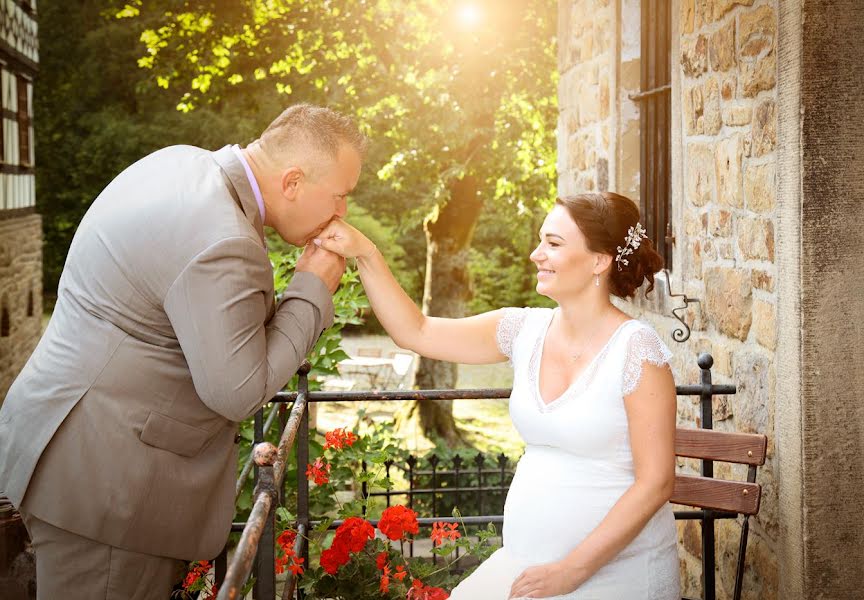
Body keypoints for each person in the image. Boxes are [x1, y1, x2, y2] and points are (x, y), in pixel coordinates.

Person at [0, 104, 366, 599]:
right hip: (107, 492)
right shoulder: (224, 238)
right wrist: (311, 288)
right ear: (293, 181)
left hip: (68, 446)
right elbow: (237, 391)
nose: (342, 212)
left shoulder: (183, 163)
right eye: (340, 196)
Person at [314, 191, 679, 599]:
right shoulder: (524, 330)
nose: (535, 254)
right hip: (526, 565)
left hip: (616, 574)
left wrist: (570, 572)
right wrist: (366, 253)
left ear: (599, 260)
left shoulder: (638, 350)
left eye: (553, 244)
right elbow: (416, 331)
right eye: (540, 240)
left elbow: (656, 483)